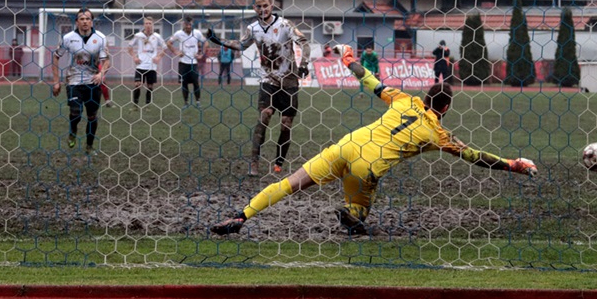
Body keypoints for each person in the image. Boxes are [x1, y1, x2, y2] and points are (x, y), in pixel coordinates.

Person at [211, 44, 537, 236]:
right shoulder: (438, 134)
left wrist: (349, 58)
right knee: (360, 210)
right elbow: (473, 155)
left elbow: (370, 81)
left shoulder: (404, 99)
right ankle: (353, 214)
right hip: (367, 165)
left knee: (291, 183)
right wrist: (513, 164)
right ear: (446, 108)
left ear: (425, 97)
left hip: (347, 144)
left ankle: (242, 216)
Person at [206, 0, 310, 175]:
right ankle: (254, 163)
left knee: (286, 124)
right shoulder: (253, 28)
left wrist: (304, 64)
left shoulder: (285, 25)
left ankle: (279, 162)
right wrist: (218, 40)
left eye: (265, 6)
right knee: (265, 115)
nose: (262, 9)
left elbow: (304, 43)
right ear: (254, 8)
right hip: (268, 80)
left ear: (271, 6)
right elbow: (241, 44)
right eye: (259, 6)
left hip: (289, 81)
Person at [51, 8, 110, 152]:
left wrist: (101, 73)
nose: (85, 22)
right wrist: (56, 81)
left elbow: (106, 60)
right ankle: (72, 132)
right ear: (77, 22)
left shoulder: (100, 38)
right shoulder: (68, 38)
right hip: (74, 81)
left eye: (88, 19)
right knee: (76, 112)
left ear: (92, 21)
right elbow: (55, 57)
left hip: (93, 82)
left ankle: (89, 146)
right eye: (82, 19)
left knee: (91, 116)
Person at [169, 17, 206, 107]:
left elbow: (206, 43)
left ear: (192, 24)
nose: (188, 26)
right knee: (184, 83)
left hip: (193, 63)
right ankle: (186, 102)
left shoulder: (197, 33)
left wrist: (202, 54)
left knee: (195, 83)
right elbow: (169, 43)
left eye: (190, 24)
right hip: (183, 63)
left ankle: (198, 102)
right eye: (186, 24)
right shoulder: (179, 34)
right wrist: (176, 52)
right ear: (183, 24)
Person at [129, 17, 166, 108]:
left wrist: (158, 57)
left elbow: (165, 48)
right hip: (140, 65)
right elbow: (129, 47)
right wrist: (134, 57)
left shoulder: (157, 36)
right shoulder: (138, 35)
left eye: (150, 23)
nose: (148, 25)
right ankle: (135, 105)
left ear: (153, 25)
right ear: (144, 25)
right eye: (146, 23)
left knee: (150, 86)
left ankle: (147, 105)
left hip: (151, 66)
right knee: (137, 84)